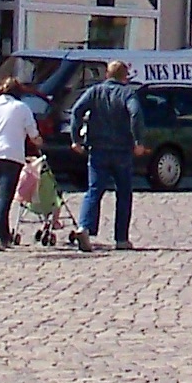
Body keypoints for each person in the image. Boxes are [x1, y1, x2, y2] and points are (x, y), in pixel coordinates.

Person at [72, 60, 143, 250]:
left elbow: (77, 111)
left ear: (107, 75)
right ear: (125, 76)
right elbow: (135, 114)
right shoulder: (128, 93)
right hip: (121, 150)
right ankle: (121, 239)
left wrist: (75, 139)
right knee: (124, 193)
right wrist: (138, 141)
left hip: (98, 149)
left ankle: (84, 227)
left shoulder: (95, 92)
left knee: (94, 190)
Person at [0, 74, 40, 250]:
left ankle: (5, 237)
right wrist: (39, 141)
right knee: (5, 198)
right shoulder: (21, 108)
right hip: (11, 156)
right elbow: (32, 133)